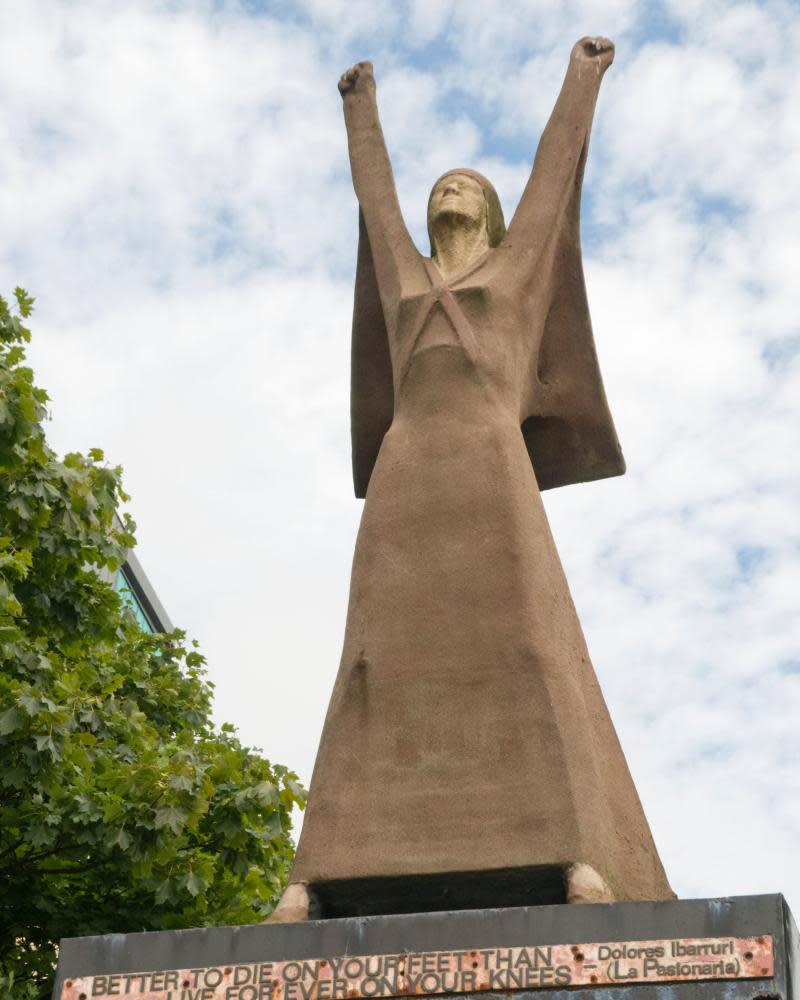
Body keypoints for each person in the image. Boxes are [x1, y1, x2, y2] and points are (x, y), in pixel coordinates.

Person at [270, 38, 673, 923]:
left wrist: (583, 77)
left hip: (493, 477)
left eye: (467, 185)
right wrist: (359, 111)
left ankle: (578, 860)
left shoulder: (516, 270)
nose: (449, 188)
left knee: (527, 648)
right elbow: (374, 207)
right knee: (372, 660)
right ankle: (307, 883)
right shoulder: (404, 282)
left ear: (490, 216)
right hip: (408, 477)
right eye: (440, 184)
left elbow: (555, 177)